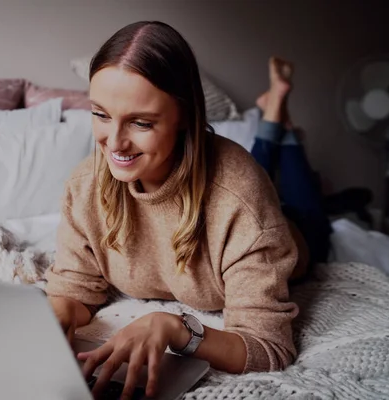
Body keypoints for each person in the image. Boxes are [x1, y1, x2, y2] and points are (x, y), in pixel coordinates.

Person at [45, 21, 300, 399]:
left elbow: (269, 347)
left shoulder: (241, 199)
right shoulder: (86, 186)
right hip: (231, 183)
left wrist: (179, 328)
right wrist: (58, 312)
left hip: (294, 230)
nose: (114, 143)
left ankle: (279, 118)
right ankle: (273, 122)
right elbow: (76, 289)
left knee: (297, 190)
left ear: (183, 116)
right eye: (100, 115)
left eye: (141, 122)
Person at [250, 57, 332, 276]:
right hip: (306, 236)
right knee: (249, 181)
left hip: (293, 231)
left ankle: (276, 106)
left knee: (247, 185)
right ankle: (276, 106)